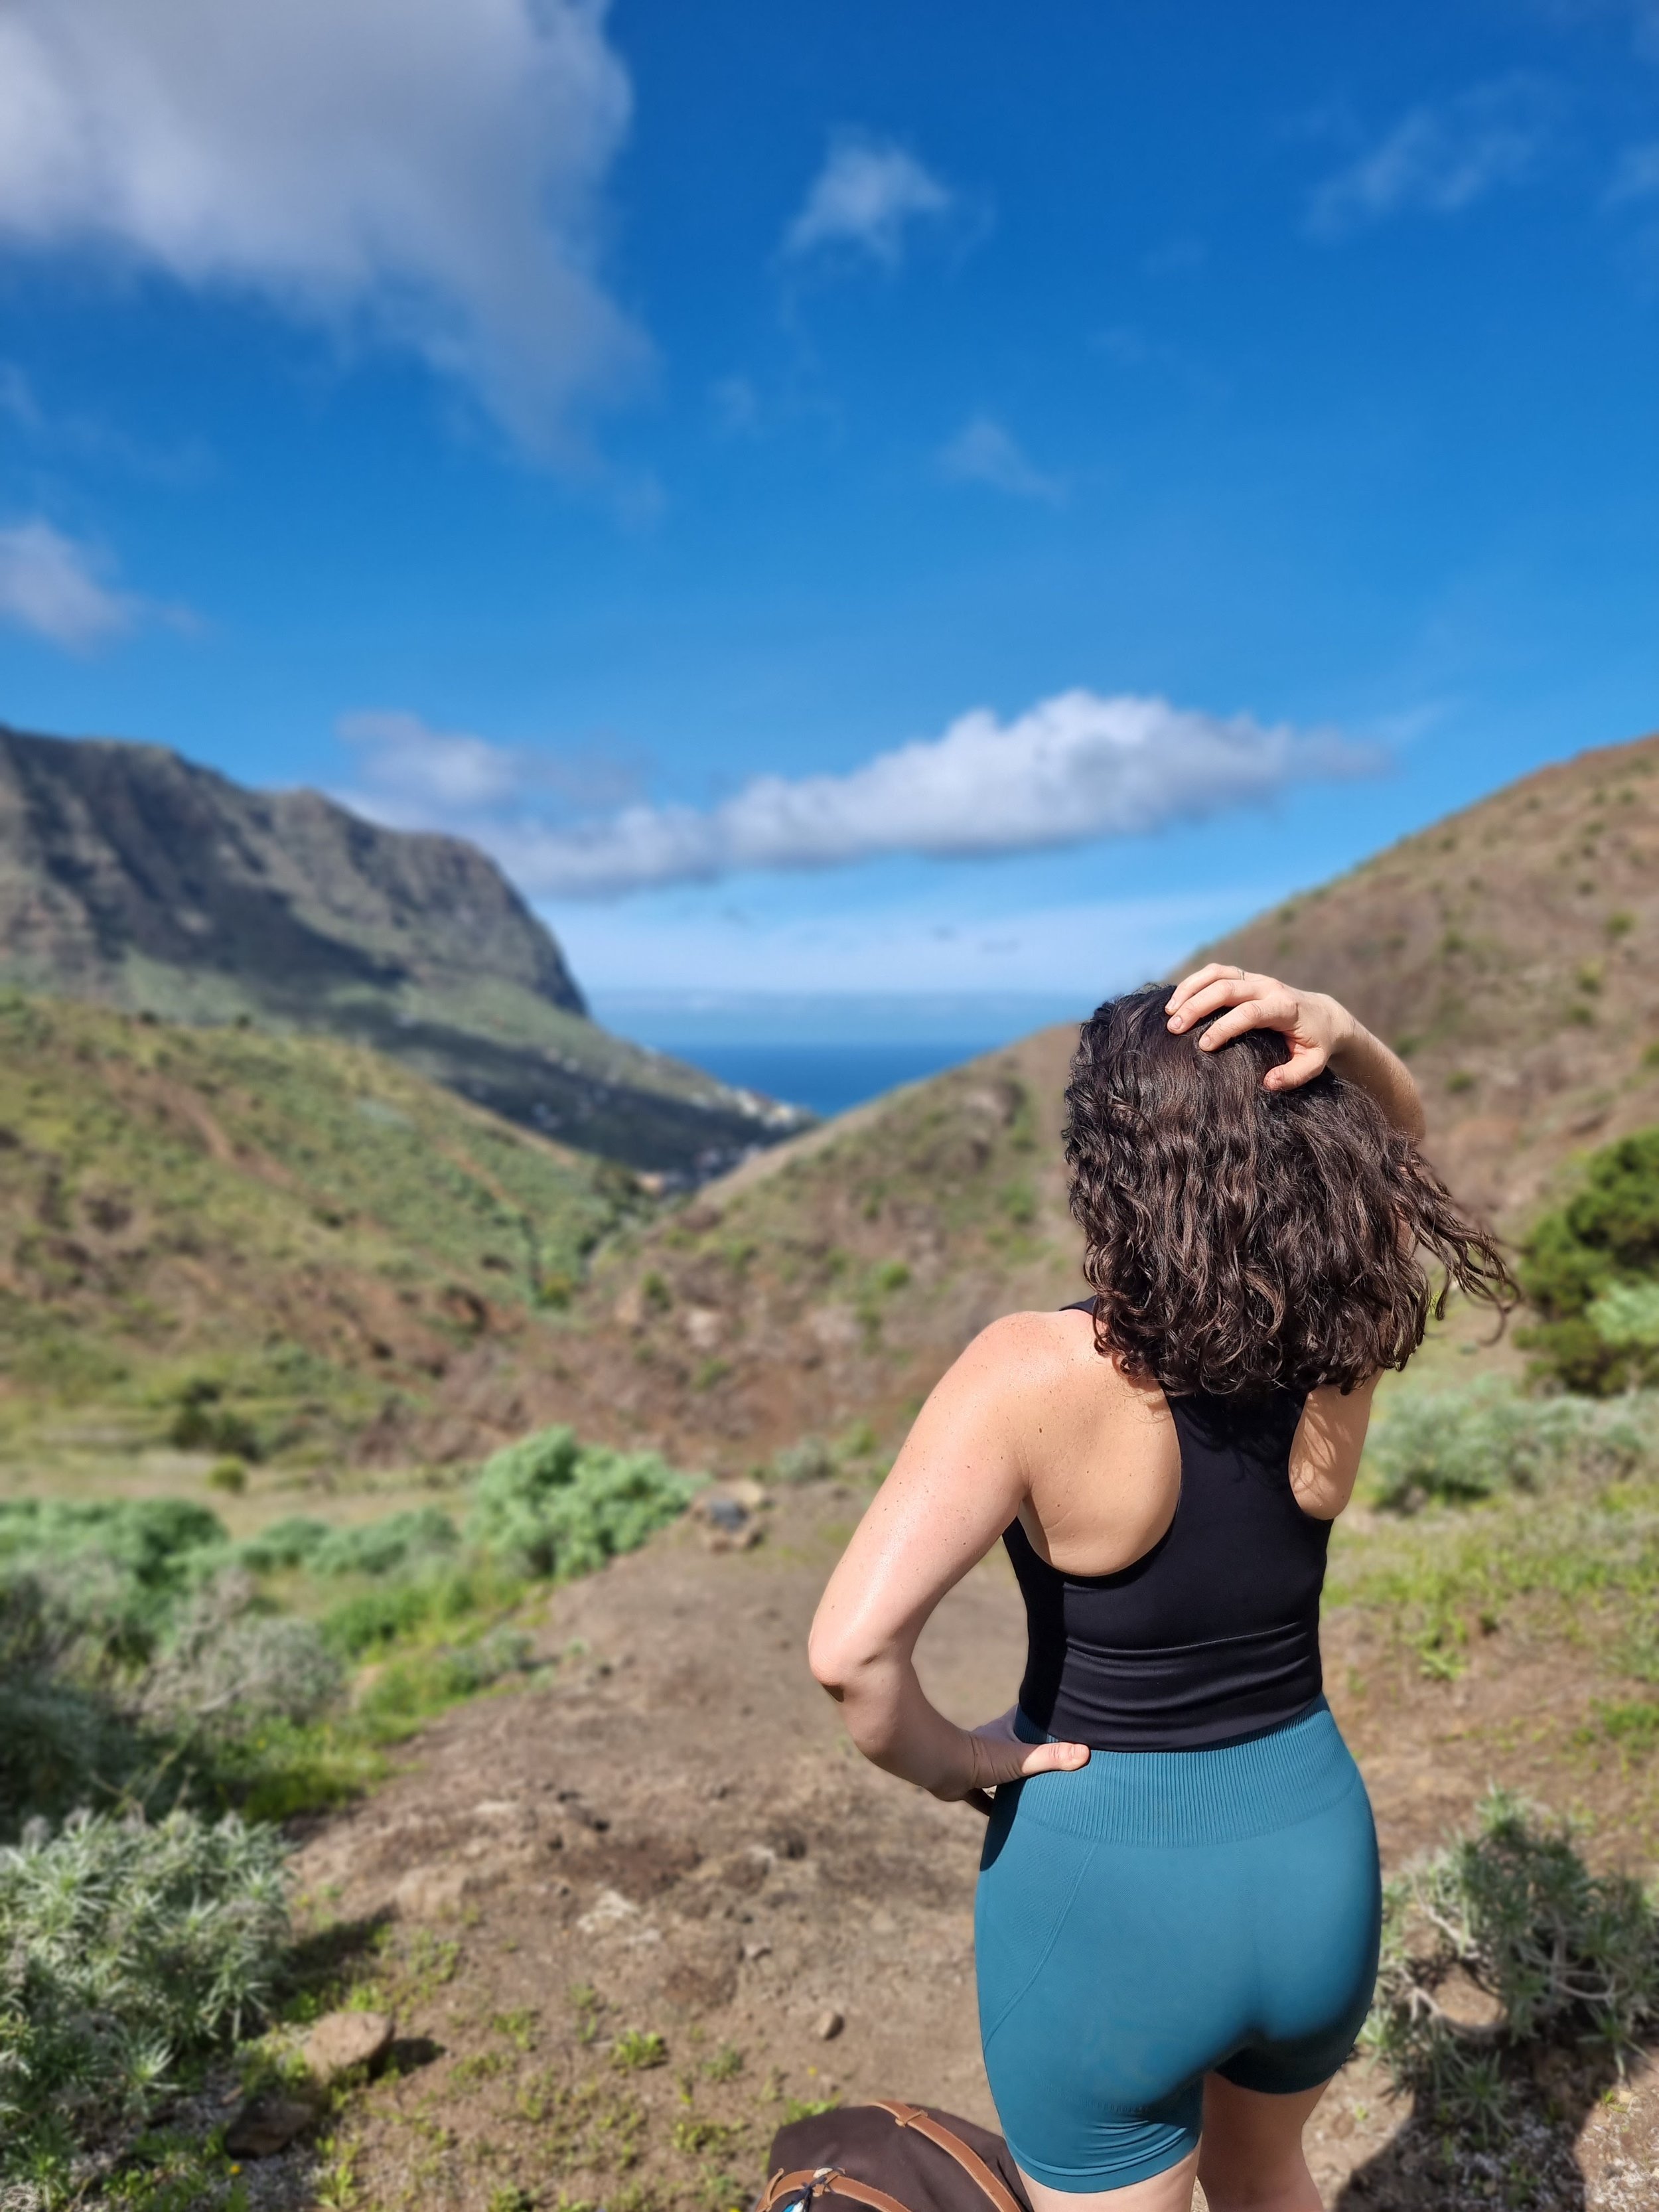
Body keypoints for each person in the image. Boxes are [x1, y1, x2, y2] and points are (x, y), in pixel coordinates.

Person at [808, 966, 1512, 2212]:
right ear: (1315, 1147)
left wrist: (958, 1760)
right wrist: (1346, 1036)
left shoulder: (1032, 1371)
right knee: (1268, 2172)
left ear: (1107, 1163)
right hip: (1312, 1862)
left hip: (1105, 1891)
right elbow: (1397, 1143)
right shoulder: (1339, 1330)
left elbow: (853, 1656)